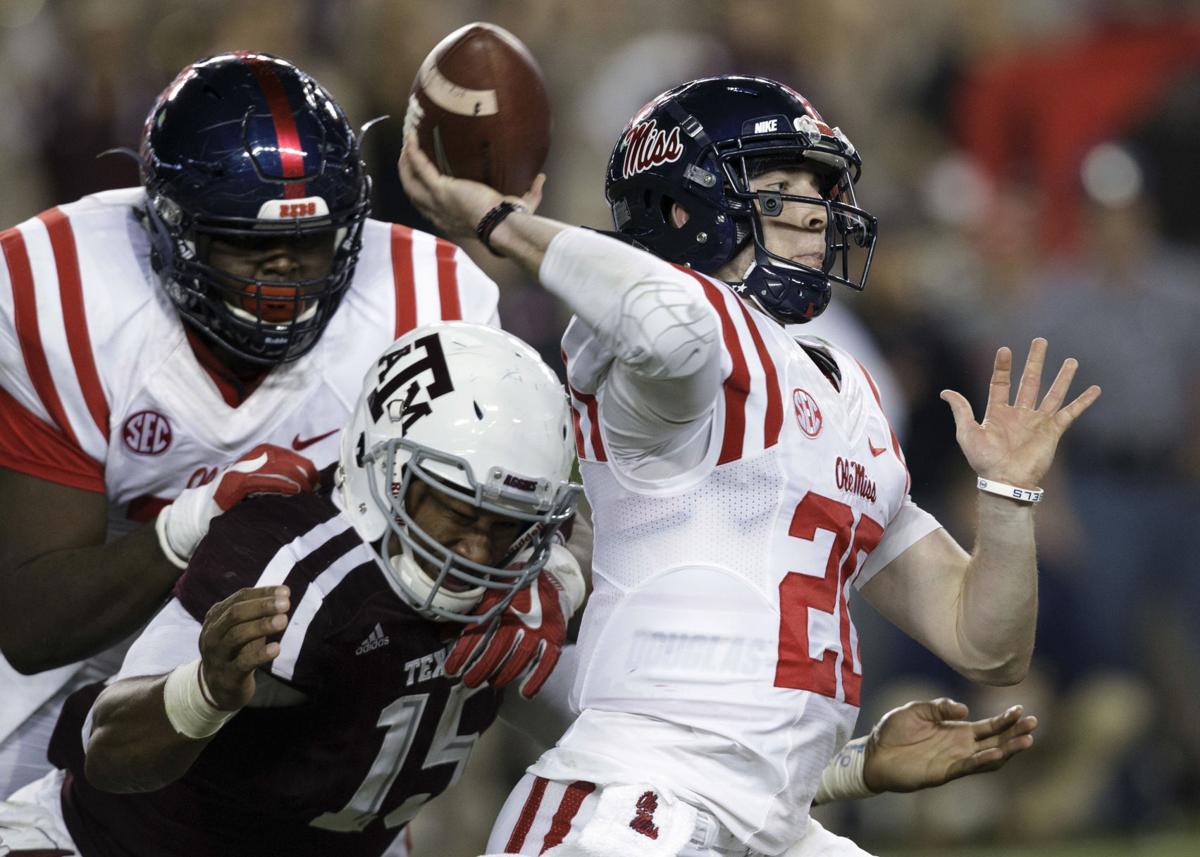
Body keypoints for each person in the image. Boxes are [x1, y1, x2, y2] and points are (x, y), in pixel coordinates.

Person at [398, 74, 1100, 857]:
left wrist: (1007, 497)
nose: (813, 209)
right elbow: (671, 326)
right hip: (634, 807)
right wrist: (506, 225)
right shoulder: (667, 361)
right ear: (680, 209)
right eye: (776, 187)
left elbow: (986, 643)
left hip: (776, 819)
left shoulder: (844, 384)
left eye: (818, 188)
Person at [0, 51, 503, 797]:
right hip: (88, 659)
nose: (285, 274)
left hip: (308, 656)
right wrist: (191, 525)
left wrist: (548, 563)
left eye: (310, 241)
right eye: (246, 240)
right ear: (167, 224)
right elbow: (34, 625)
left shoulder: (428, 302)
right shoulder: (67, 292)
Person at [0, 321, 585, 856]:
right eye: (456, 512)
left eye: (505, 523)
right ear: (381, 464)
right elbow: (108, 751)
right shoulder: (289, 561)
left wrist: (565, 575)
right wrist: (204, 692)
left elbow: (620, 690)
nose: (477, 553)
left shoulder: (528, 570)